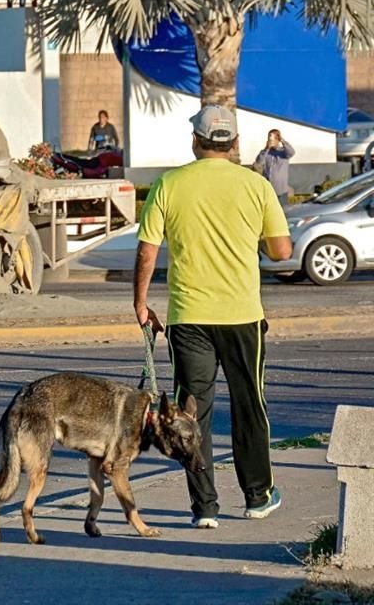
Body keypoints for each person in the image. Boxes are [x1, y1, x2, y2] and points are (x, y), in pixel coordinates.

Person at [133, 104, 293, 530]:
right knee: (249, 405)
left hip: (188, 318)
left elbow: (147, 250)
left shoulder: (169, 184)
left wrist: (141, 302)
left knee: (191, 411)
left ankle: (205, 507)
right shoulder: (256, 186)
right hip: (242, 315)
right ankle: (258, 496)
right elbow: (281, 251)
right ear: (235, 144)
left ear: (195, 142)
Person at [254, 129, 295, 204]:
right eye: (270, 138)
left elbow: (292, 152)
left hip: (281, 191)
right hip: (268, 190)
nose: (272, 140)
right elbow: (259, 161)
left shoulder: (283, 152)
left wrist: (282, 140)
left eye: (274, 138)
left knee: (282, 212)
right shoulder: (266, 152)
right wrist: (266, 148)